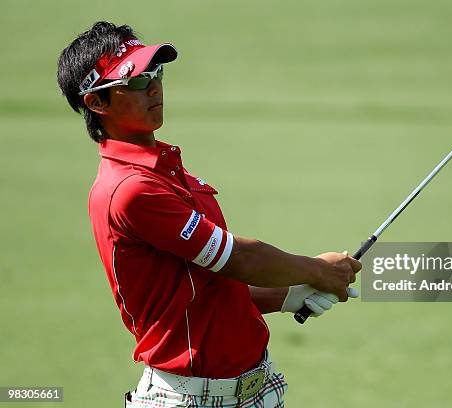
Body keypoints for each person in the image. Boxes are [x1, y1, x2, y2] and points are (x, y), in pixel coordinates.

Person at [56, 21, 361, 407]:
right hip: (189, 400)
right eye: (135, 80)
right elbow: (236, 258)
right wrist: (316, 270)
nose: (153, 87)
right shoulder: (130, 190)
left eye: (157, 72)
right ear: (97, 103)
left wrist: (289, 295)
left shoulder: (163, 169)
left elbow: (208, 285)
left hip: (258, 390)